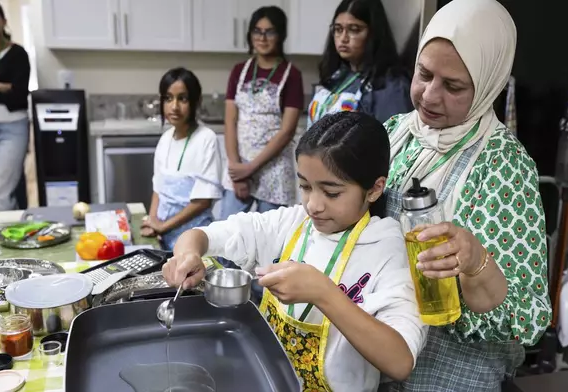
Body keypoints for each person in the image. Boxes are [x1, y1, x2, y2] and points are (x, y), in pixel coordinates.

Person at [163, 112, 426, 392]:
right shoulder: (293, 224)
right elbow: (201, 236)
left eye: (332, 193)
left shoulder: (388, 249)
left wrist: (324, 294)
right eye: (305, 186)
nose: (313, 205)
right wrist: (188, 254)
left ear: (374, 189)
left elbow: (400, 361)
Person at [382, 0, 551, 391]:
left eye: (453, 86)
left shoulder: (504, 166)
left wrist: (476, 264)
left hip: (448, 376)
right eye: (423, 74)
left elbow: (527, 317)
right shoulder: (395, 134)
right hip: (378, 362)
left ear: (489, 84)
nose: (429, 95)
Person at [222, 6, 303, 218]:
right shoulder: (240, 70)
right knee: (225, 234)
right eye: (257, 31)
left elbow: (287, 131)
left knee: (271, 239)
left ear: (281, 35)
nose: (262, 37)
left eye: (270, 31)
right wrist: (237, 170)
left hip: (273, 170)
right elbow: (230, 121)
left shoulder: (291, 75)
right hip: (238, 166)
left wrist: (251, 168)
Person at [141, 67, 222, 250]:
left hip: (195, 238)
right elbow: (158, 189)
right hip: (164, 235)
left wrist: (162, 227)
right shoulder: (165, 139)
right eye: (168, 98)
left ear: (196, 101)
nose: (174, 106)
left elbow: (203, 201)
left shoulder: (206, 138)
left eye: (182, 99)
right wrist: (153, 221)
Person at [307, 0, 412, 129]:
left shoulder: (391, 86)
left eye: (354, 30)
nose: (343, 38)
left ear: (374, 34)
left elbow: (392, 141)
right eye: (338, 29)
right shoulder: (337, 75)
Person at [0, 0, 30, 222]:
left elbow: (20, 95)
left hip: (14, 128)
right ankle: (11, 231)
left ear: (3, 21)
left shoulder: (18, 54)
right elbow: (6, 91)